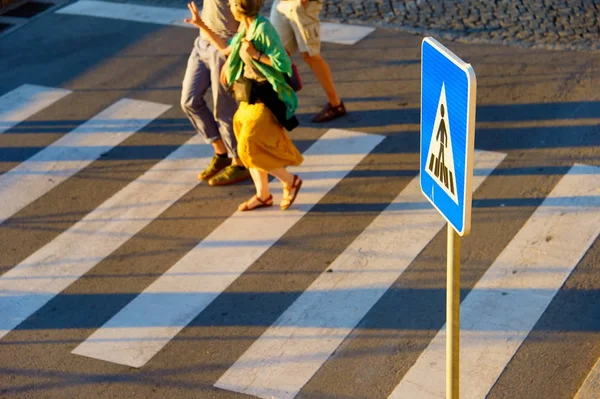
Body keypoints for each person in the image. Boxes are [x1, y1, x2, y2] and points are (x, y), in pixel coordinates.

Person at [185, 0, 304, 211]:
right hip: (249, 99)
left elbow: (283, 63)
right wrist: (201, 25)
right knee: (249, 146)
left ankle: (289, 180)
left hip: (266, 99)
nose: (228, 7)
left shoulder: (262, 28)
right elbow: (225, 48)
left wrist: (256, 55)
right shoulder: (244, 28)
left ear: (240, 8)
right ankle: (263, 195)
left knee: (247, 149)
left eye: (231, 4)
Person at [180, 0, 251, 186]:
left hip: (223, 48)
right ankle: (221, 153)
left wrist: (232, 55)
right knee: (189, 101)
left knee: (224, 111)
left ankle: (239, 163)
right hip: (202, 42)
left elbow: (247, 16)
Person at [270, 0, 347, 123]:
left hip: (301, 6)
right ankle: (278, 104)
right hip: (280, 4)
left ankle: (335, 104)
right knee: (274, 52)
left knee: (310, 56)